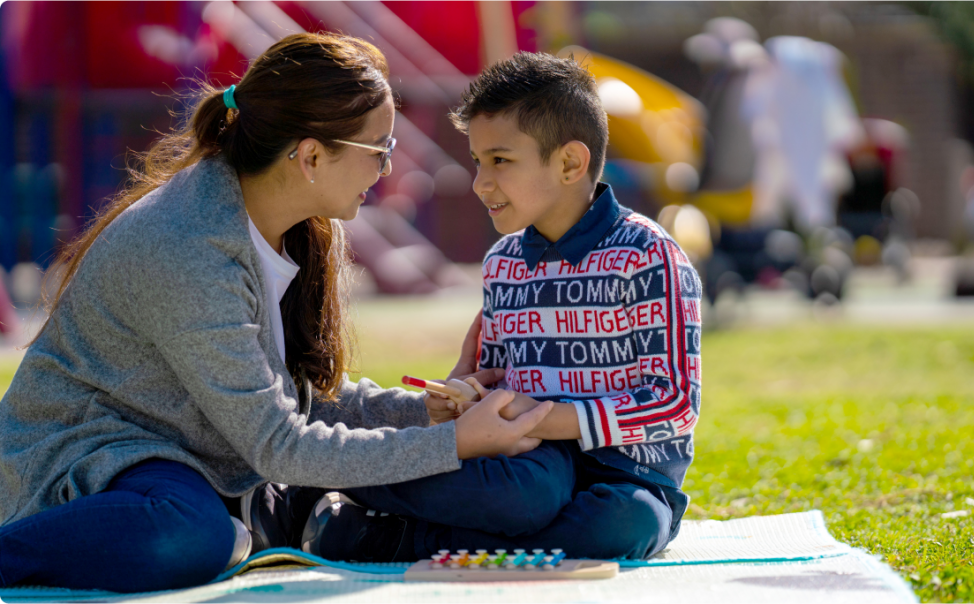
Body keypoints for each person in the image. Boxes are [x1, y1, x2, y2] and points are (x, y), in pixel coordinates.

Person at [0, 33, 552, 593]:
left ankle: (257, 523)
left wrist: (432, 412)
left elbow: (301, 397)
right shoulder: (186, 245)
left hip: (193, 458)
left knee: (518, 489)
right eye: (379, 150)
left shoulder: (303, 226)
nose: (387, 170)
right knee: (188, 534)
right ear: (311, 155)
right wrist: (454, 444)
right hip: (97, 459)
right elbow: (280, 444)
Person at [258, 52, 702, 564]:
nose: (480, 183)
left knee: (623, 526)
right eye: (478, 161)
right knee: (526, 497)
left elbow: (673, 403)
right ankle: (307, 489)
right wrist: (468, 392)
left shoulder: (648, 257)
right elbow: (495, 380)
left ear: (570, 163)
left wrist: (544, 417)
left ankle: (385, 538)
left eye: (500, 161)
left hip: (628, 476)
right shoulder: (505, 262)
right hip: (528, 465)